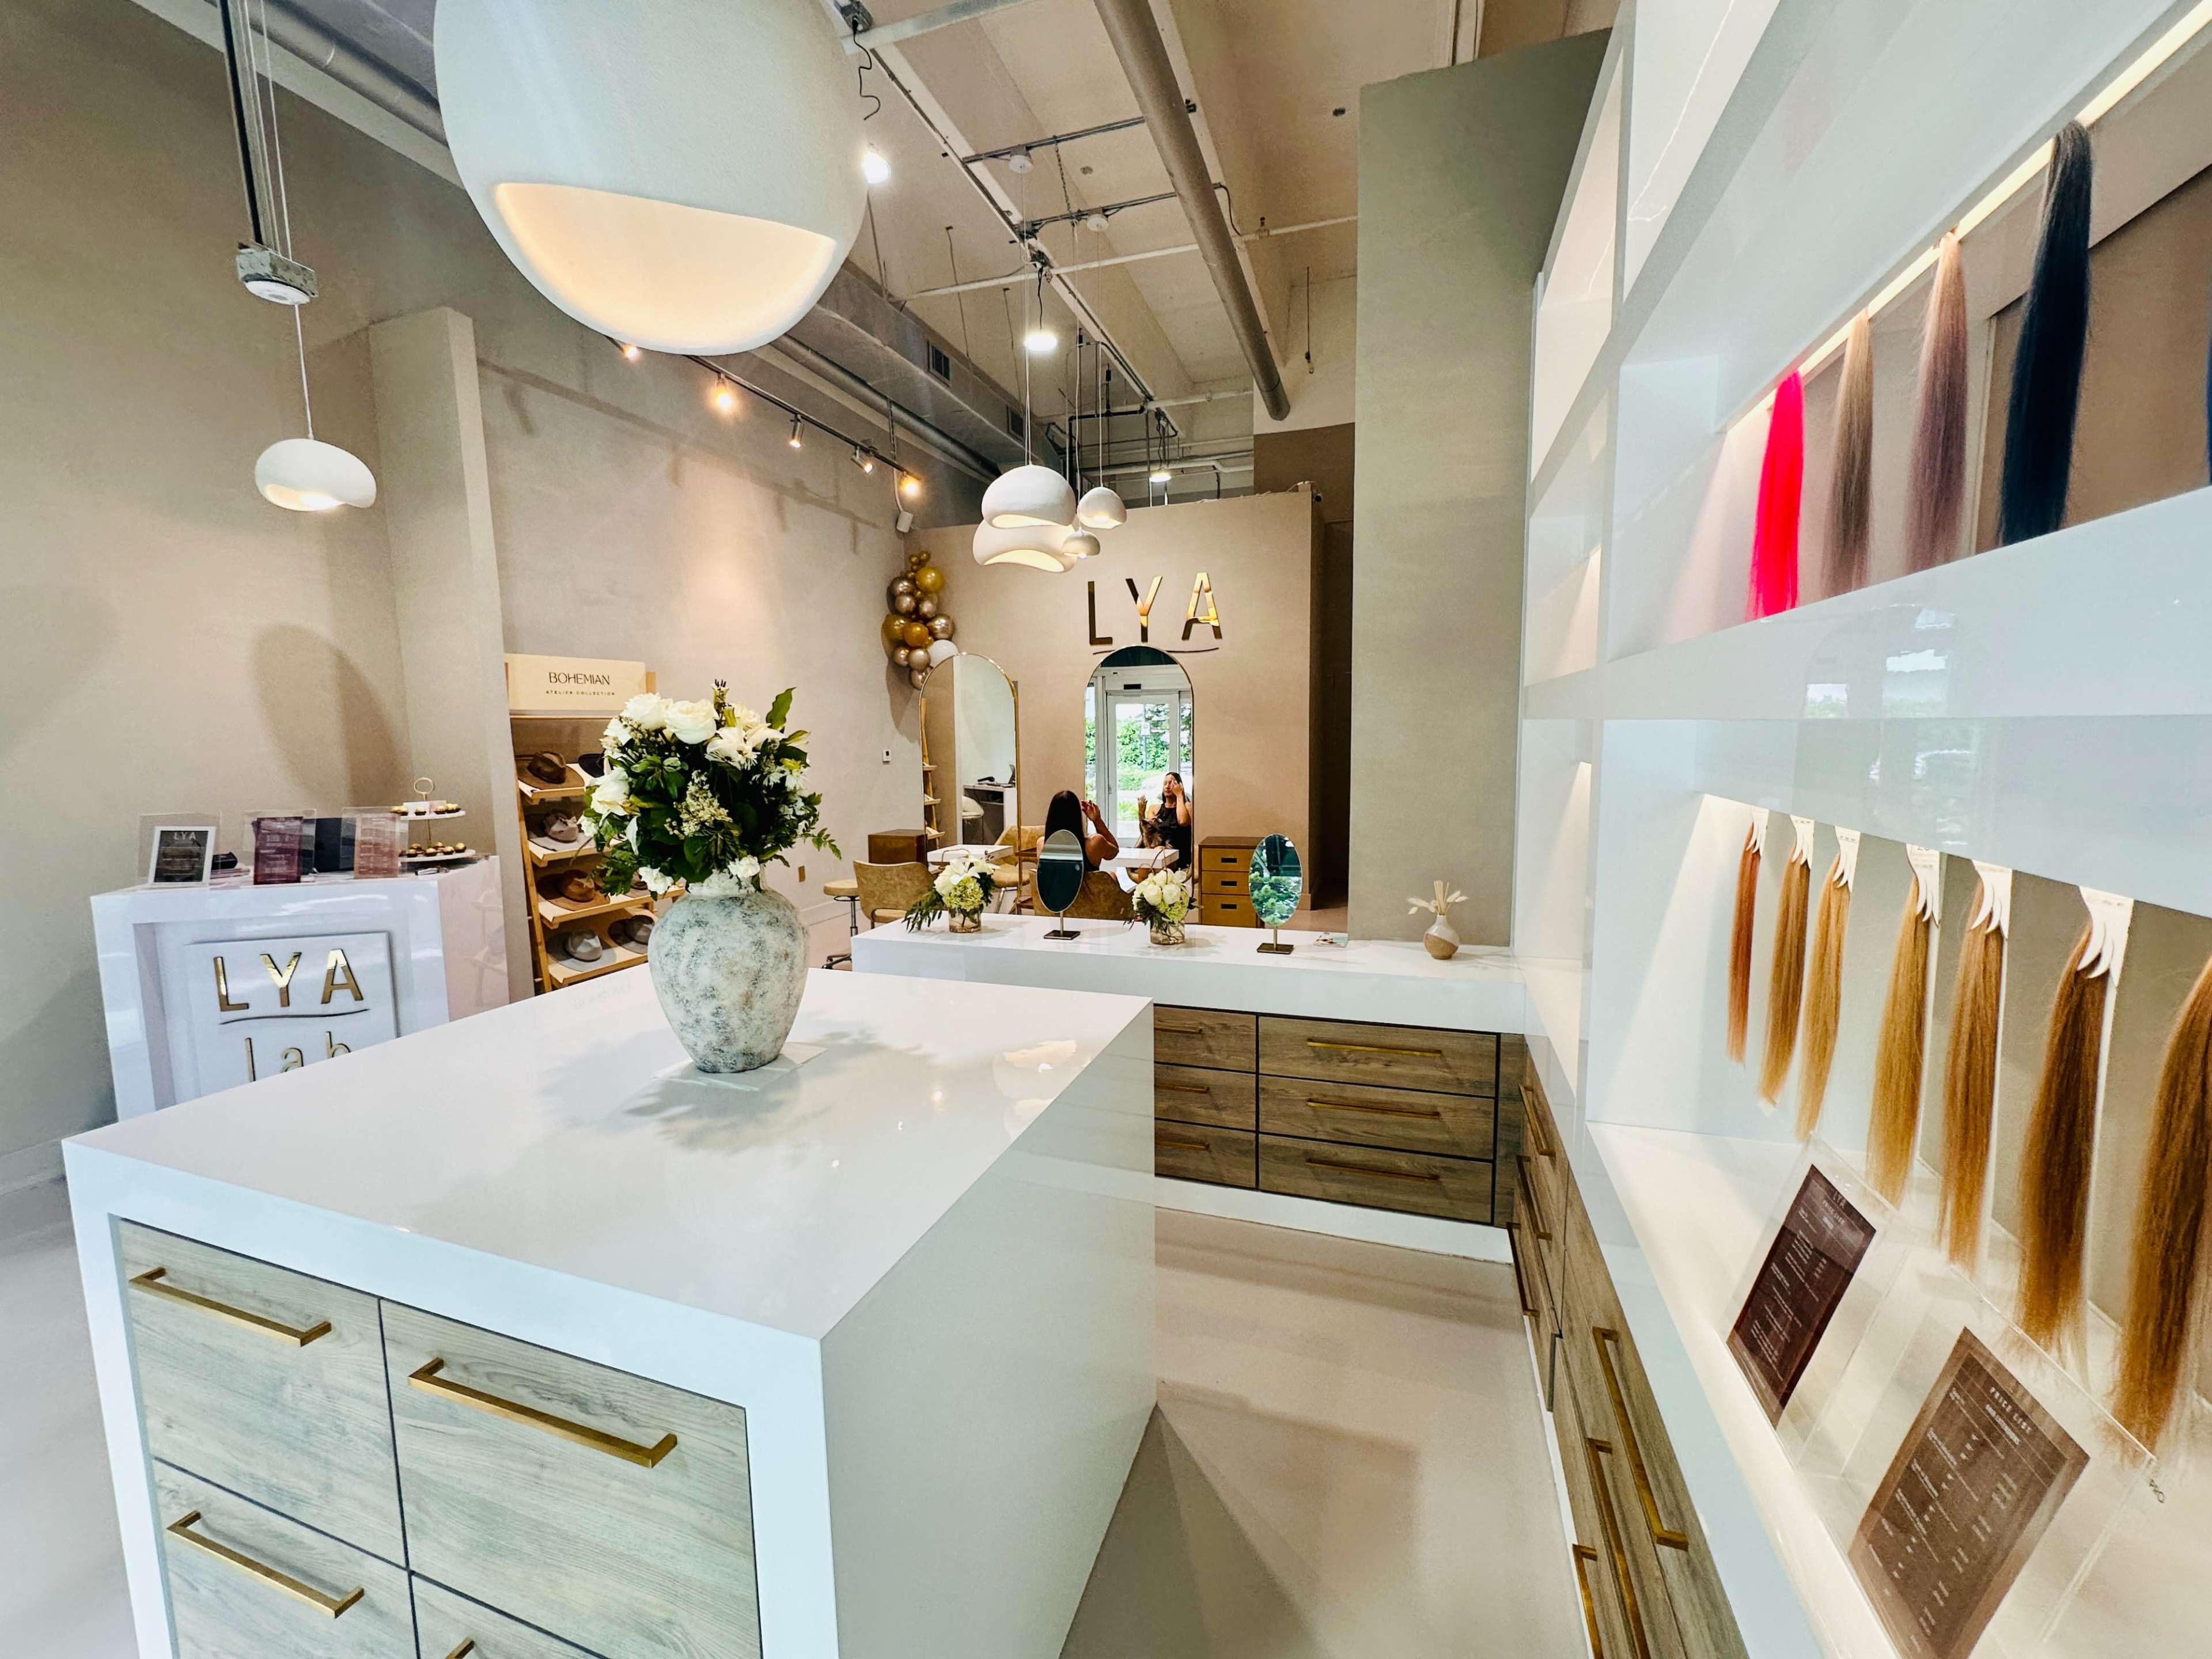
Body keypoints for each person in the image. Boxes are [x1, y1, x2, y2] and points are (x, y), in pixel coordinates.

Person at [1046, 789, 1119, 871]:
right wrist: (1097, 821)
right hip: (1088, 880)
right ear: (1077, 816)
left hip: (1057, 880)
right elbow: (1114, 851)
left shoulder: (1042, 846)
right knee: (1112, 875)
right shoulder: (1095, 844)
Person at [1143, 772, 1193, 869]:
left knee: (1158, 852)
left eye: (1171, 783)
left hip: (1178, 855)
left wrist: (1179, 795)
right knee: (1147, 852)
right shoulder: (1154, 808)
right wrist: (1141, 813)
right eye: (1165, 783)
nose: (1167, 786)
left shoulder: (1188, 806)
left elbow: (1183, 821)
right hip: (1157, 850)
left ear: (1179, 786)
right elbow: (1148, 836)